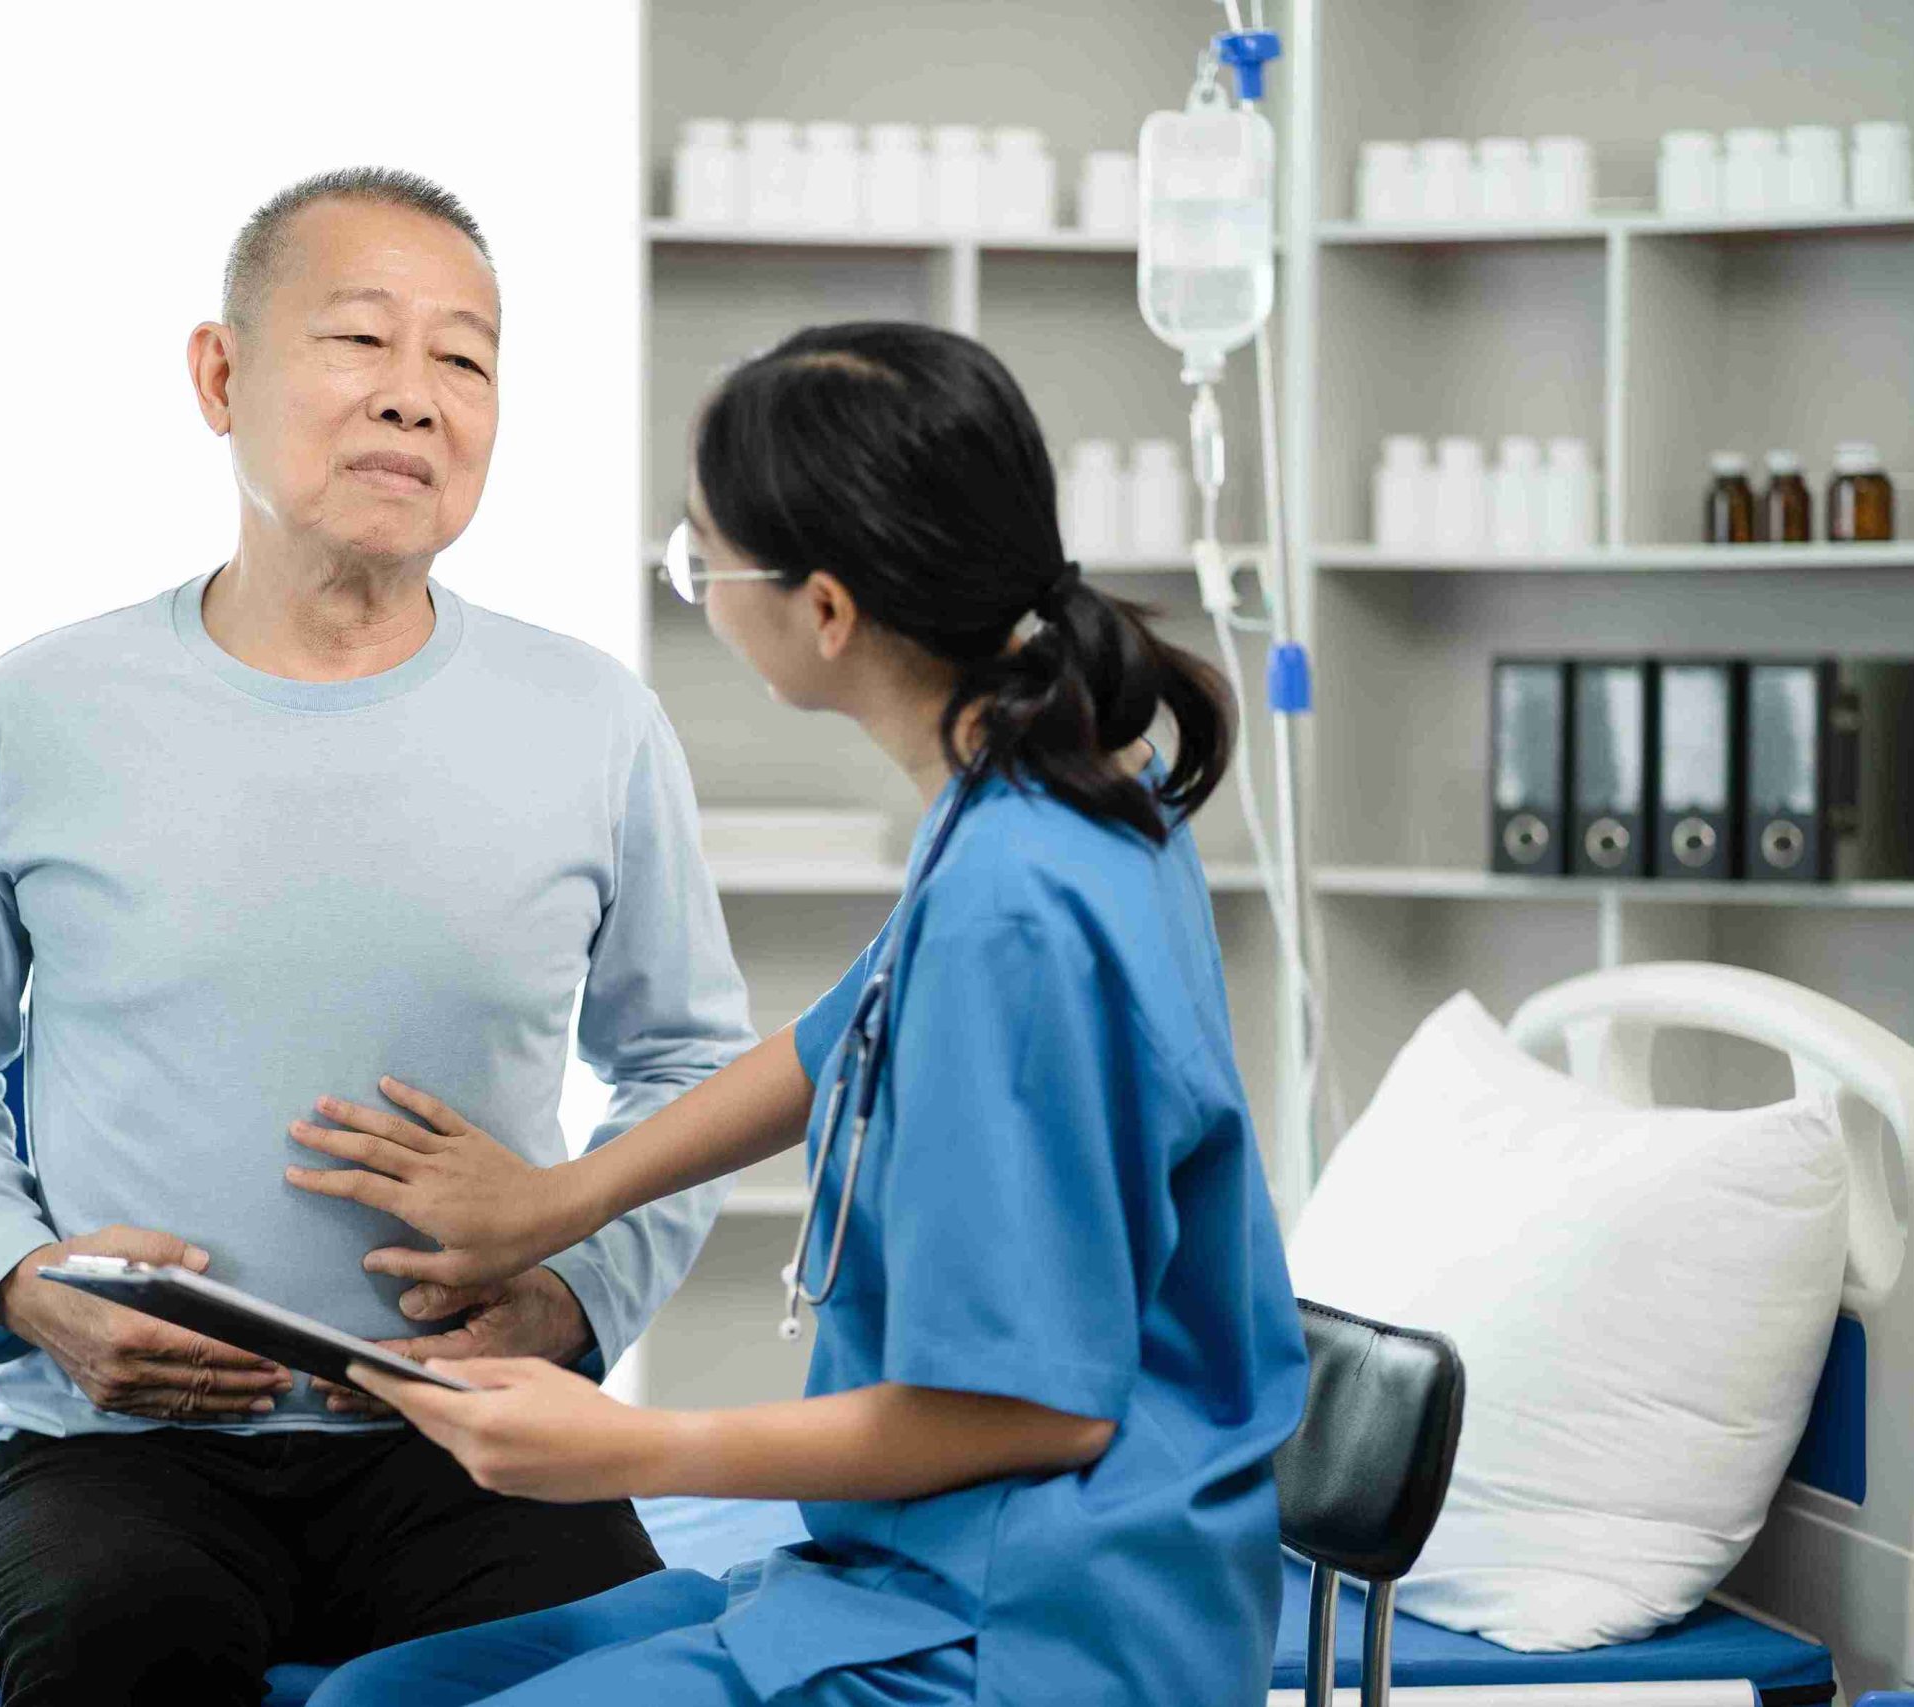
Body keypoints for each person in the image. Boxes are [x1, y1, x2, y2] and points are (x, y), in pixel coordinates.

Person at [0, 167, 759, 1703]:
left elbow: (691, 1062)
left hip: (471, 1436)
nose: (413, 397)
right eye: (360, 340)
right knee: (128, 1650)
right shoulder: (40, 708)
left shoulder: (592, 721)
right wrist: (20, 1278)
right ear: (220, 376)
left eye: (463, 358)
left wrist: (579, 1297)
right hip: (119, 1448)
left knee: (624, 1683)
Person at [286, 322, 1311, 1705]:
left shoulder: (1017, 902)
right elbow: (838, 1043)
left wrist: (626, 1445)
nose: (693, 582)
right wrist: (556, 1202)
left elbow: (1038, 1410)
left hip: (1034, 1628)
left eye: (701, 556)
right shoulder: (1050, 793)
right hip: (935, 1568)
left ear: (824, 611)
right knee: (371, 1695)